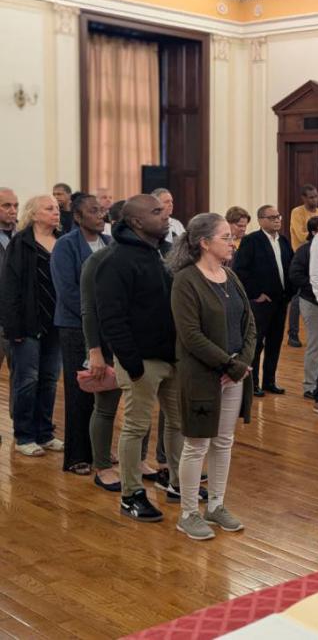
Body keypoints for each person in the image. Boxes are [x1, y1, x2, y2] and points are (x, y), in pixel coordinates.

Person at [95, 194, 187, 521]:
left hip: (172, 357)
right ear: (136, 221)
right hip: (141, 361)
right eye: (156, 212)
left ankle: (178, 483)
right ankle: (131, 494)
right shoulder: (115, 261)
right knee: (136, 427)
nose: (165, 216)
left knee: (178, 423)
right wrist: (131, 363)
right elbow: (111, 318)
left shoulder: (163, 253)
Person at [169, 213, 257, 540]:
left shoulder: (230, 276)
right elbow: (191, 335)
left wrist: (241, 363)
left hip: (234, 374)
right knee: (197, 444)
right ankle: (188, 513)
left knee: (224, 441)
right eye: (225, 237)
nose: (232, 242)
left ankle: (216, 505)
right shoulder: (186, 280)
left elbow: (249, 324)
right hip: (203, 375)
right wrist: (229, 365)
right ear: (204, 243)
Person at [51, 193, 111, 475]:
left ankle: (100, 449)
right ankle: (77, 455)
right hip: (75, 327)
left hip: (106, 328)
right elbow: (68, 291)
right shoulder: (66, 245)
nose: (100, 215)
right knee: (80, 392)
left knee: (105, 391)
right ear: (77, 216)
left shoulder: (109, 243)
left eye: (101, 210)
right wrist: (95, 320)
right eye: (93, 211)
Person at [0, 195, 64, 457]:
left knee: (49, 379)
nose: (56, 212)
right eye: (49, 209)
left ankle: (45, 432)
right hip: (27, 323)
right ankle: (24, 435)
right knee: (27, 380)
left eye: (57, 208)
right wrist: (13, 327)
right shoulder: (20, 243)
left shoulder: (62, 241)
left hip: (56, 323)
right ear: (34, 214)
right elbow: (10, 287)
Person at [81, 199, 128, 491]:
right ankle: (102, 465)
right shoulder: (98, 260)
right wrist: (95, 351)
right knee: (106, 407)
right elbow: (89, 309)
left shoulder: (147, 256)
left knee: (138, 409)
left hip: (138, 346)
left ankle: (138, 461)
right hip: (109, 346)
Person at [232, 205, 294, 397]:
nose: (277, 220)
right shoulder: (251, 241)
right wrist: (256, 293)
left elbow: (291, 268)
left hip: (281, 300)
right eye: (272, 217)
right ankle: (253, 384)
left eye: (278, 216)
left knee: (275, 342)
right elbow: (240, 270)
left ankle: (269, 381)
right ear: (261, 220)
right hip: (261, 302)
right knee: (257, 343)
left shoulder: (283, 241)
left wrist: (290, 293)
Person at [288, 215, 318, 400]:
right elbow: (295, 275)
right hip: (312, 302)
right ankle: (310, 385)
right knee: (316, 344)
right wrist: (317, 287)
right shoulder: (305, 250)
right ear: (314, 232)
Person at [288, 185, 318, 347]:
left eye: (316, 196)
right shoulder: (297, 212)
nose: (314, 199)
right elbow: (300, 235)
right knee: (298, 297)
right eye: (311, 197)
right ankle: (293, 333)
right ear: (304, 198)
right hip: (302, 255)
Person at [0, 187, 19, 417]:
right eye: (6, 206)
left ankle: (21, 426)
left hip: (16, 318)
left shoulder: (23, 236)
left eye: (15, 205)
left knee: (21, 375)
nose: (13, 210)